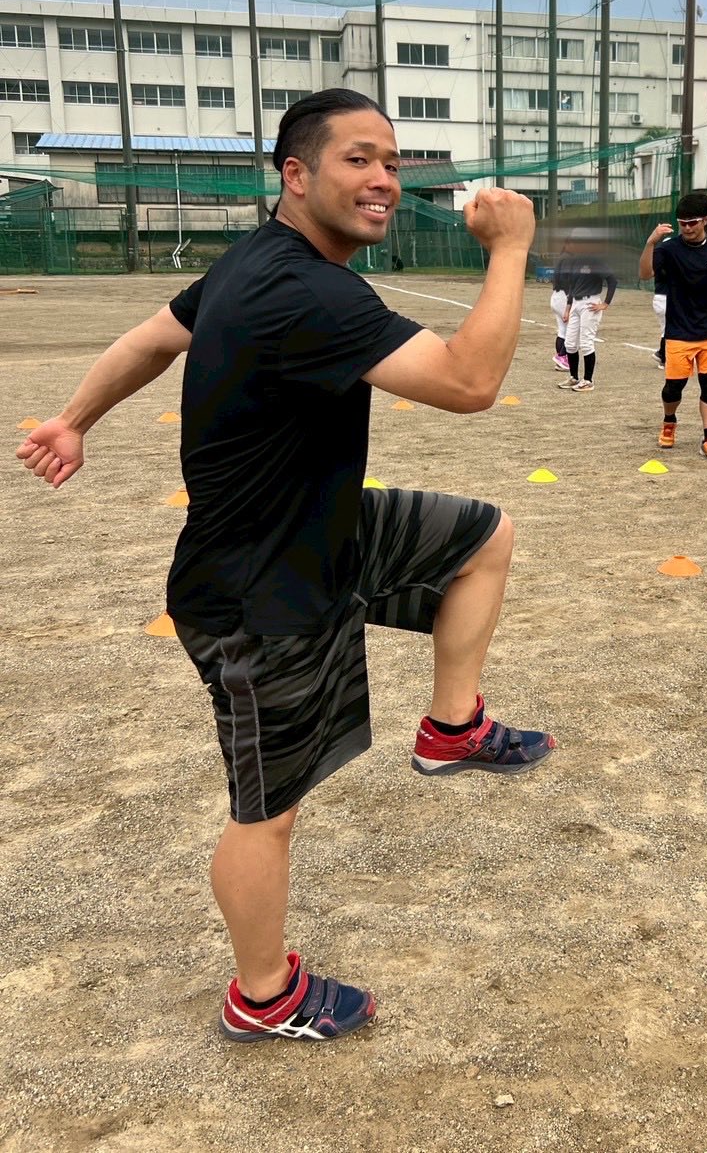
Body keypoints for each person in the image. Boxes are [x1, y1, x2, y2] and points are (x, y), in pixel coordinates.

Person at [16, 88, 555, 1045]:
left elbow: (151, 339)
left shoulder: (255, 262)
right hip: (256, 594)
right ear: (296, 175)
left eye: (390, 159)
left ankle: (453, 726)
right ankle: (262, 995)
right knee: (267, 810)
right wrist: (510, 248)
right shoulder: (302, 287)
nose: (383, 178)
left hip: (324, 531)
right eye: (357, 158)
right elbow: (471, 382)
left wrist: (73, 419)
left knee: (482, 536)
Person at [639, 191, 707, 461]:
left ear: (705, 220)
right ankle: (669, 420)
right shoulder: (668, 248)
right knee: (673, 388)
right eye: (682, 223)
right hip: (679, 331)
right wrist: (651, 243)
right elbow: (644, 273)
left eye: (692, 222)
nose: (686, 228)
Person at [554, 235, 618, 393]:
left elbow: (612, 280)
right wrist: (568, 308)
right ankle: (574, 377)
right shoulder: (574, 262)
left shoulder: (595, 261)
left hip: (590, 304)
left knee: (586, 343)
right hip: (576, 303)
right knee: (570, 343)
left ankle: (588, 380)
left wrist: (605, 303)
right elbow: (572, 287)